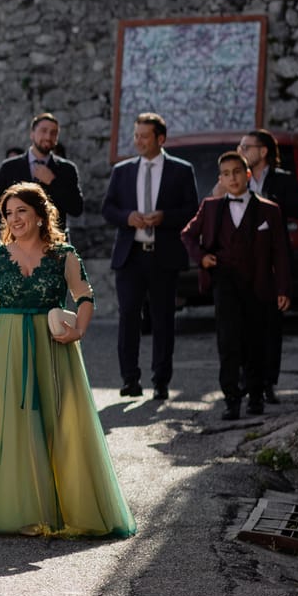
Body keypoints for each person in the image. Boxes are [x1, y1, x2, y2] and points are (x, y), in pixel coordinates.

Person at [0, 183, 136, 538]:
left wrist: (79, 331)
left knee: (60, 425)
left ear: (41, 216)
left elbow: (85, 296)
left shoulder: (64, 255)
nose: (14, 219)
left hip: (53, 345)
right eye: (8, 214)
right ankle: (25, 511)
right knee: (15, 426)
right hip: (8, 346)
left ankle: (66, 508)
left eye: (22, 211)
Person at [181, 153, 291, 419]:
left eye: (237, 172)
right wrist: (201, 257)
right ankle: (231, 399)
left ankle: (256, 396)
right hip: (225, 281)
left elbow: (280, 252)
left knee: (256, 340)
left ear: (248, 175)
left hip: (258, 282)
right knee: (228, 341)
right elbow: (188, 235)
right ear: (220, 179)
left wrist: (283, 288)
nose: (233, 178)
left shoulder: (269, 210)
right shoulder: (210, 208)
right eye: (227, 174)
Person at [99, 112, 201, 402]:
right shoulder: (123, 171)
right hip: (130, 257)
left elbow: (192, 210)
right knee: (129, 317)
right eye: (136, 136)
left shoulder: (181, 170)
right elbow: (108, 209)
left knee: (163, 320)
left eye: (145, 136)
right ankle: (130, 379)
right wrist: (127, 217)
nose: (139, 141)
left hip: (163, 256)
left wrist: (165, 217)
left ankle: (161, 381)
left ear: (160, 138)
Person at [238, 129, 298, 404]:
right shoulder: (237, 178)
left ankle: (268, 381)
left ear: (263, 151)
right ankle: (246, 378)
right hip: (242, 261)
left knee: (271, 326)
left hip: (271, 261)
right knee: (242, 324)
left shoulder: (282, 180)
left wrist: (270, 202)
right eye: (240, 147)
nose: (241, 152)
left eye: (246, 147)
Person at [0, 113, 85, 224]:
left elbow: (76, 209)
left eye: (53, 133)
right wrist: (11, 226)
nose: (48, 137)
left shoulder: (67, 169)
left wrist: (53, 182)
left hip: (53, 233)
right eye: (43, 131)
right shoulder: (9, 167)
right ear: (32, 134)